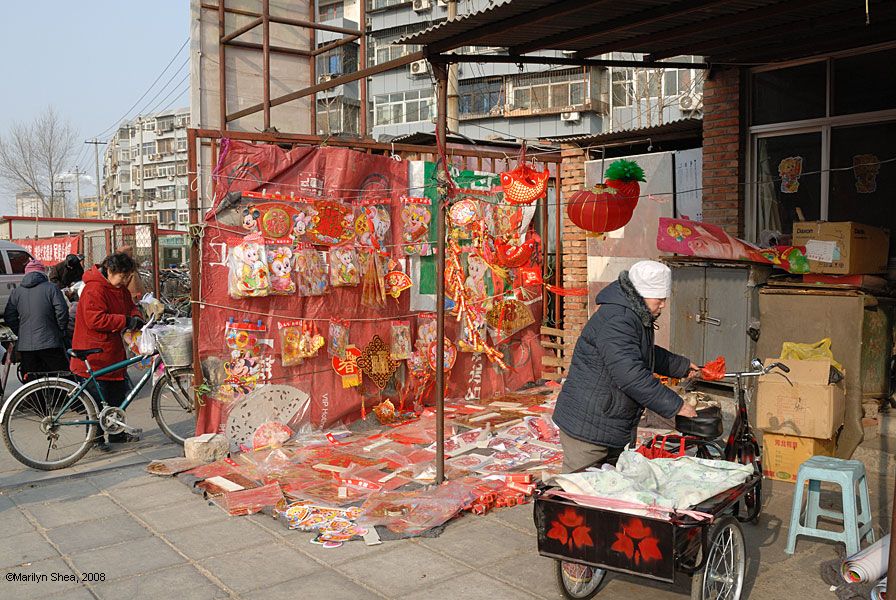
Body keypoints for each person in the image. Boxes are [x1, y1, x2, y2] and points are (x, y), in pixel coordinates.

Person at [552, 260, 699, 473]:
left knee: (606, 491)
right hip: (589, 425)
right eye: (660, 299)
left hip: (609, 420)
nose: (663, 305)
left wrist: (680, 366)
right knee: (580, 492)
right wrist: (676, 405)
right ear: (642, 294)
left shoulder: (634, 314)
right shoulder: (618, 319)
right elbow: (631, 375)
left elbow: (640, 353)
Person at [70, 253, 145, 446]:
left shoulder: (120, 289)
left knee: (116, 398)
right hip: (95, 355)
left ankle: (116, 434)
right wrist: (124, 321)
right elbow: (95, 319)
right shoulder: (94, 289)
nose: (125, 281)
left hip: (113, 355)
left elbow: (131, 307)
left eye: (128, 277)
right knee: (96, 403)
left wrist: (136, 316)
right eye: (123, 276)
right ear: (110, 271)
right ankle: (95, 440)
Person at [3, 260, 69, 380]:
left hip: (26, 347)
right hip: (51, 343)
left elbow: (9, 316)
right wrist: (59, 329)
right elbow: (62, 311)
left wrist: (20, 332)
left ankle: (35, 398)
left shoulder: (17, 292)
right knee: (62, 379)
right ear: (43, 273)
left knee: (31, 382)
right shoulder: (52, 288)